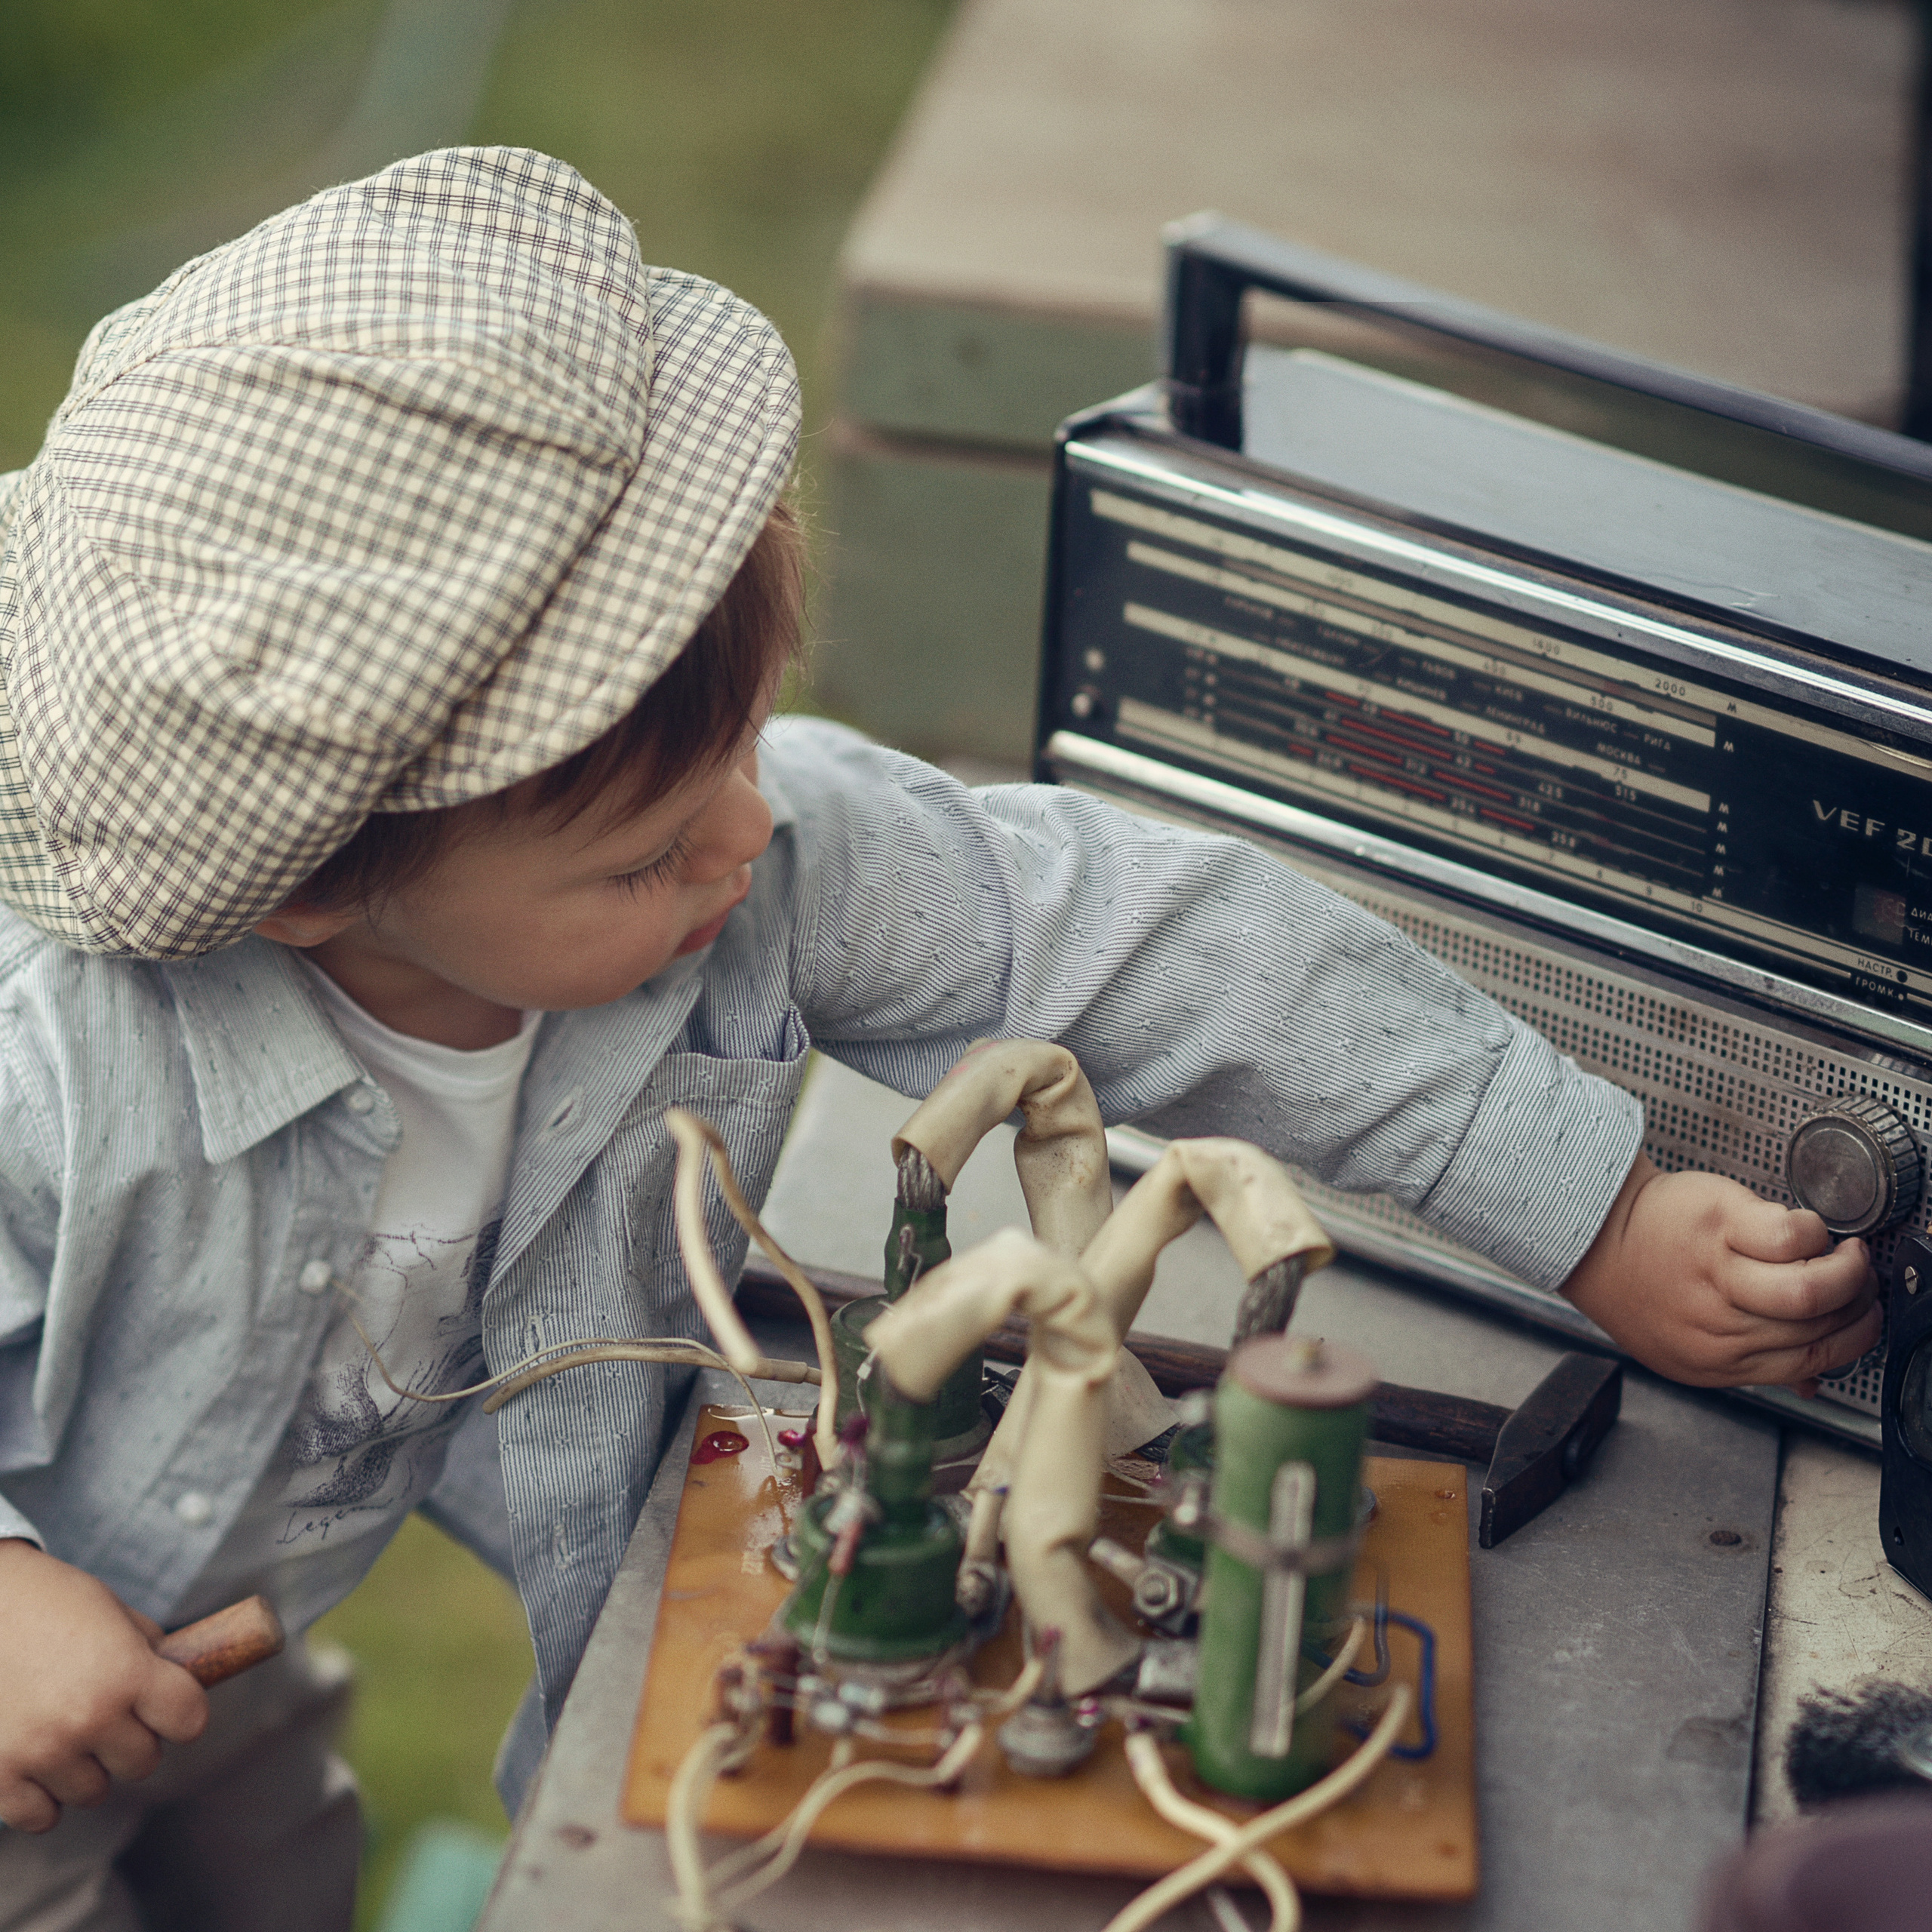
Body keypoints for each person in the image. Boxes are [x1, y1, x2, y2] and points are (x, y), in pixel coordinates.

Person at [0, 147, 1878, 1928]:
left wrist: (1587, 1206)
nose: (749, 830)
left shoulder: (755, 853)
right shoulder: (53, 1053)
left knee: (270, 1858)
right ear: (310, 891)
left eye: (745, 749)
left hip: (236, 1633)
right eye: (649, 850)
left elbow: (1155, 945)